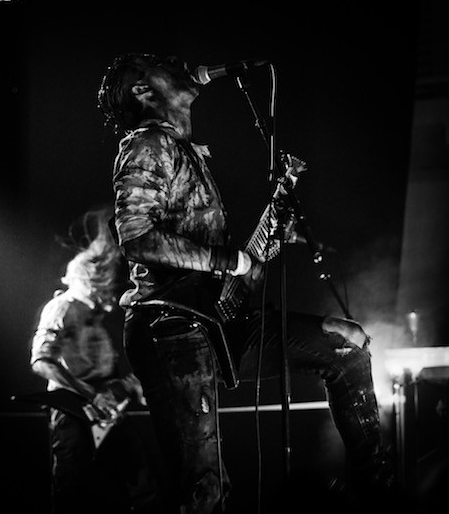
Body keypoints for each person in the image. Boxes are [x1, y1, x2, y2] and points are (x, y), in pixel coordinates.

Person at [96, 53, 395, 513]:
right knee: (205, 489)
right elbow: (136, 239)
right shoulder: (147, 143)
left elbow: (231, 268)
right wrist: (230, 260)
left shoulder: (185, 150)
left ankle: (378, 497)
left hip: (217, 321)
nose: (177, 62)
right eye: (159, 64)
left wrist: (259, 249)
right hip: (170, 328)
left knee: (346, 347)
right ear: (143, 91)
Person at [29, 207, 162, 513]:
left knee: (140, 479)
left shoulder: (97, 315)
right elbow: (41, 362)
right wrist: (91, 394)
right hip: (73, 407)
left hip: (105, 407)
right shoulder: (61, 307)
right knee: (71, 486)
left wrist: (129, 387)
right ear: (84, 277)